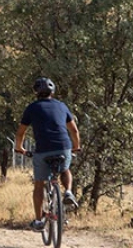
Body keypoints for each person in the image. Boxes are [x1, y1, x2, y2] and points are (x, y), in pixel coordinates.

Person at [14, 77, 82, 232]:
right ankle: (69, 192)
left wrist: (20, 148)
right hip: (63, 146)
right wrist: (76, 147)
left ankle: (38, 220)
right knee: (65, 169)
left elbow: (20, 133)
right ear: (53, 91)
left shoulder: (31, 108)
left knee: (39, 184)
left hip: (43, 149)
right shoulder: (62, 106)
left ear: (36, 92)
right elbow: (74, 130)